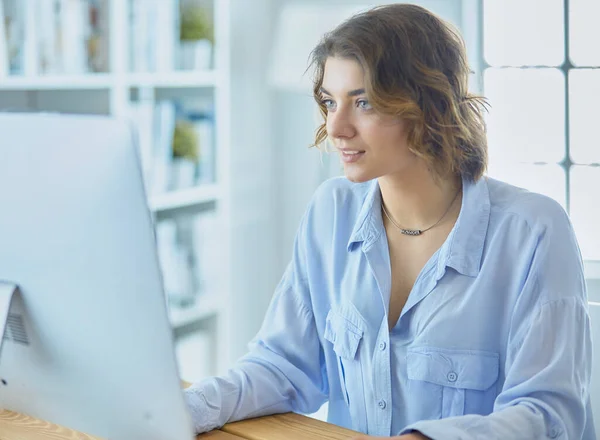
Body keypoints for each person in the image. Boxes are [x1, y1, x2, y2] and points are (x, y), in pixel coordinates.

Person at [184, 4, 595, 439]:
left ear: (426, 104)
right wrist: (185, 409)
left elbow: (551, 415)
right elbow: (283, 366)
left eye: (363, 102)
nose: (336, 127)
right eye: (329, 101)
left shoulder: (533, 233)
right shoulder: (331, 212)